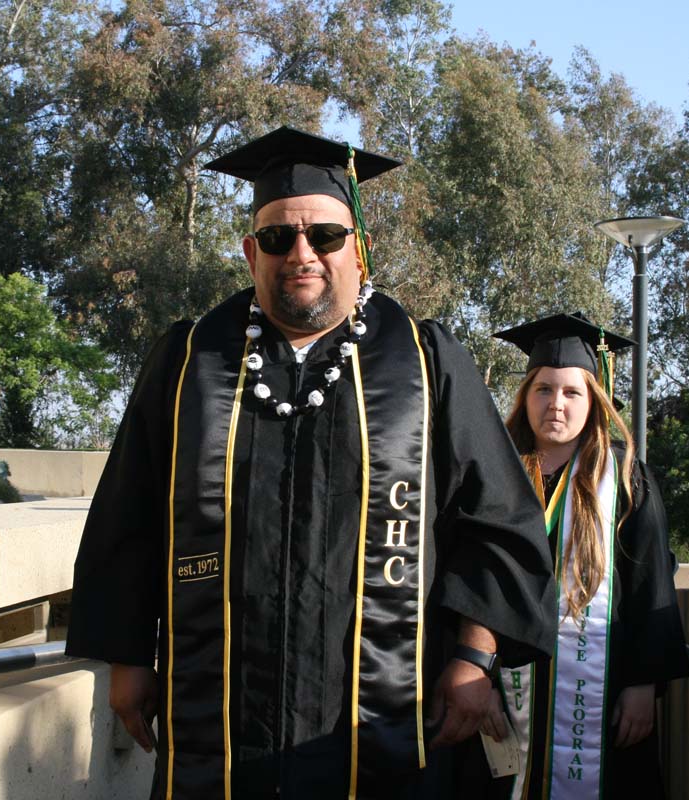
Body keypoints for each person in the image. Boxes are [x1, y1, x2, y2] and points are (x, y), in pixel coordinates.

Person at [66, 126, 557, 800]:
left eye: (324, 236)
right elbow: (130, 515)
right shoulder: (190, 361)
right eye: (277, 238)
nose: (302, 254)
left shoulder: (424, 360)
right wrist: (127, 658)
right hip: (221, 714)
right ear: (250, 253)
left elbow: (496, 519)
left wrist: (475, 655)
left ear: (357, 247)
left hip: (381, 714)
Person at [470, 312, 689, 800]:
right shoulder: (492, 475)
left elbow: (649, 581)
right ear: (525, 396)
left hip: (601, 688)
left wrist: (643, 685)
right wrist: (474, 674)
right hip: (503, 689)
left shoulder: (626, 478)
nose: (556, 404)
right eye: (543, 389)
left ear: (594, 401)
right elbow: (470, 578)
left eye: (572, 392)